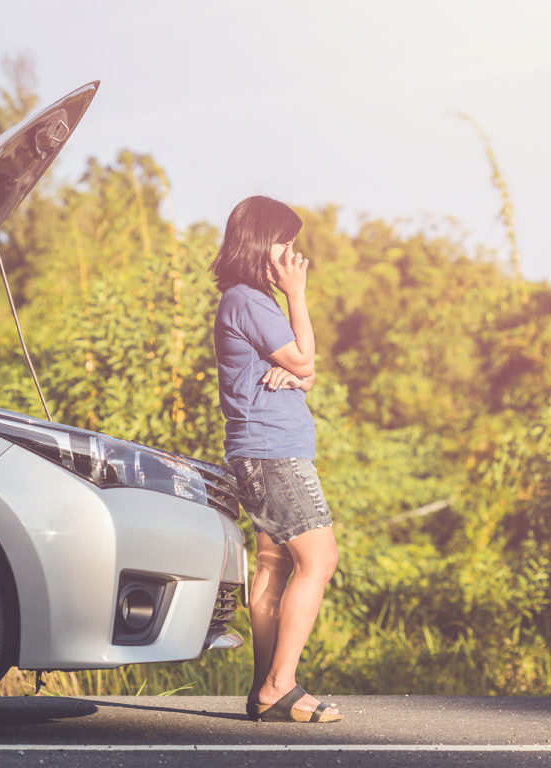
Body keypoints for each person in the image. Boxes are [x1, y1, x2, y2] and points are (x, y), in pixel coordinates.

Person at [211, 195, 342, 723]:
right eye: (285, 242)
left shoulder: (248, 301)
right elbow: (306, 358)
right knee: (321, 558)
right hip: (273, 452)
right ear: (261, 242)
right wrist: (298, 294)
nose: (293, 254)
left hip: (262, 448)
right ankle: (279, 684)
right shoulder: (250, 299)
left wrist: (300, 370)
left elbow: (305, 371)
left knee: (273, 563)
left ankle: (265, 688)